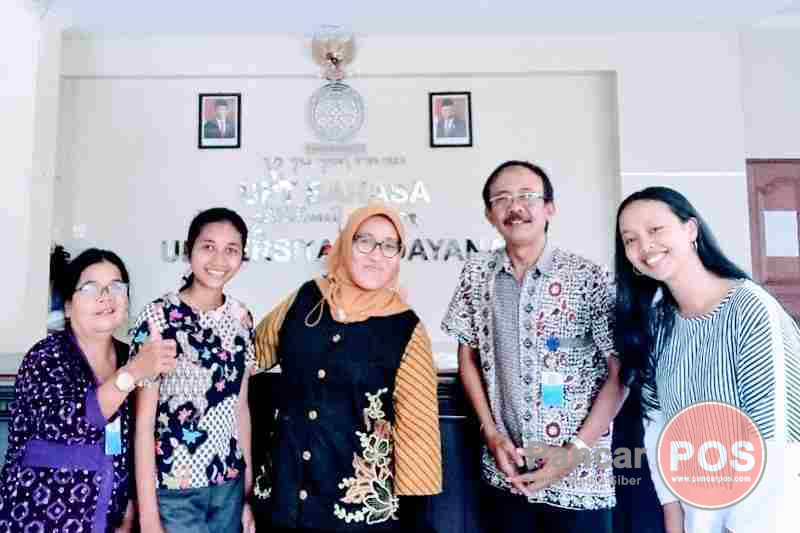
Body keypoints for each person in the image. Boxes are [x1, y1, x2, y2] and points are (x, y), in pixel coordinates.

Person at [441, 160, 625, 532]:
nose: (515, 207)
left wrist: (574, 453)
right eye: (502, 199)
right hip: (507, 471)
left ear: (549, 208)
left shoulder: (587, 277)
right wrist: (491, 434)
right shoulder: (477, 274)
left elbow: (619, 373)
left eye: (527, 196)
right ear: (490, 214)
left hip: (579, 478)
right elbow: (468, 357)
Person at [615, 186, 800, 532]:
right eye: (630, 239)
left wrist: (741, 526)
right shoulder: (657, 323)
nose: (645, 246)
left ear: (691, 229)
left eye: (655, 230)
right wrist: (674, 515)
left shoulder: (750, 308)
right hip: (697, 512)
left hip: (765, 513)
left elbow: (774, 435)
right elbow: (657, 426)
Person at [251, 203, 442, 533]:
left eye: (389, 245)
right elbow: (251, 354)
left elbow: (418, 430)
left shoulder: (406, 329)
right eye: (364, 241)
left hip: (356, 514)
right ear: (344, 244)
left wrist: (414, 520)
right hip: (284, 497)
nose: (376, 254)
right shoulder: (306, 298)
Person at [0, 248, 176, 532]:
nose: (105, 296)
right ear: (68, 306)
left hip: (107, 517)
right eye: (90, 288)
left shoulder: (128, 356)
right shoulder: (46, 356)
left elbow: (136, 441)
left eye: (116, 287)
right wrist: (132, 373)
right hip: (40, 515)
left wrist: (130, 506)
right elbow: (68, 424)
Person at [131, 208, 257, 533]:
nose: (219, 259)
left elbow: (240, 408)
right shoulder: (157, 317)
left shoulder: (242, 319)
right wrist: (148, 515)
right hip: (174, 489)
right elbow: (144, 423)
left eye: (231, 249)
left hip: (228, 484)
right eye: (208, 246)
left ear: (242, 257)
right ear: (189, 251)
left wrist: (247, 496)